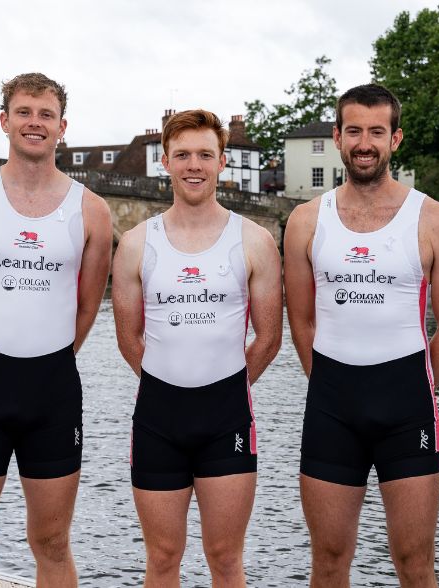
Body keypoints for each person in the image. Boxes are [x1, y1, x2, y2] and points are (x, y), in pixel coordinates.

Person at [283, 84, 439, 587]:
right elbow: (300, 319)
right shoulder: (305, 221)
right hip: (332, 405)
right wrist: (326, 381)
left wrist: (421, 386)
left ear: (396, 139)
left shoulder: (434, 219)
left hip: (407, 406)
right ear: (338, 138)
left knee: (413, 563)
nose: (366, 143)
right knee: (328, 560)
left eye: (377, 132)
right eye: (355, 131)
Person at [0, 72, 113, 587]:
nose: (34, 123)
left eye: (45, 115)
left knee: (53, 544)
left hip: (52, 393)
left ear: (63, 127)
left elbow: (86, 308)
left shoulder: (92, 211)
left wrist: (47, 356)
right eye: (24, 112)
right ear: (4, 121)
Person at [111, 109, 282, 587]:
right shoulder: (136, 244)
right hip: (158, 417)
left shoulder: (255, 241)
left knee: (225, 557)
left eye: (205, 154)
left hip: (225, 415)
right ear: (164, 161)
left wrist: (222, 383)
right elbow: (129, 340)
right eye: (182, 155)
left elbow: (268, 339)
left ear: (222, 161)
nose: (194, 165)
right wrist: (173, 381)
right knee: (163, 558)